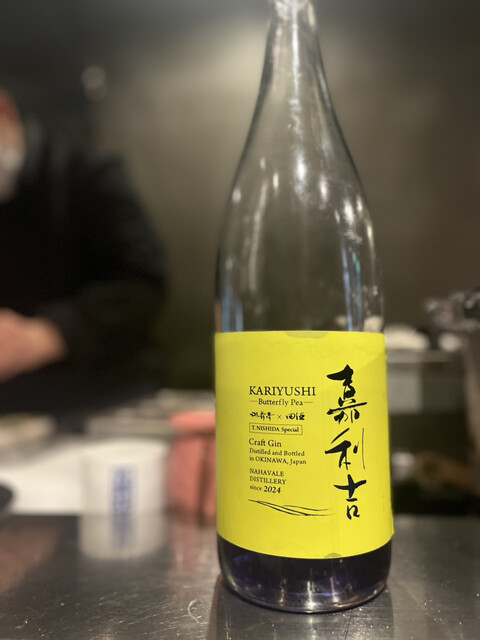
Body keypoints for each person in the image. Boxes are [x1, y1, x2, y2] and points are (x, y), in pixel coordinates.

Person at [0, 90, 167, 423]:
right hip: (13, 418)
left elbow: (143, 284)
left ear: (5, 112)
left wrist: (46, 334)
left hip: (106, 403)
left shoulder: (88, 172)